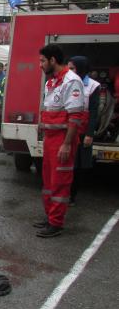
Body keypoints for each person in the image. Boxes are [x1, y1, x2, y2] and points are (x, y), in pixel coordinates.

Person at [33, 44, 85, 238]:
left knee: (59, 183)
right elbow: (49, 108)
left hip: (63, 140)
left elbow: (75, 117)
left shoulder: (72, 81)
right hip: (50, 138)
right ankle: (49, 217)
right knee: (47, 181)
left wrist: (66, 144)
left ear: (53, 60)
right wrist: (42, 123)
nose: (40, 65)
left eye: (42, 61)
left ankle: (56, 223)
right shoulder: (51, 82)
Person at [67, 56, 100, 206]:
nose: (69, 71)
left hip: (82, 129)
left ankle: (72, 195)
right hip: (67, 128)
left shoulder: (93, 86)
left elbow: (93, 112)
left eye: (72, 68)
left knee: (77, 166)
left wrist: (89, 134)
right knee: (66, 163)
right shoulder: (66, 82)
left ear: (80, 69)